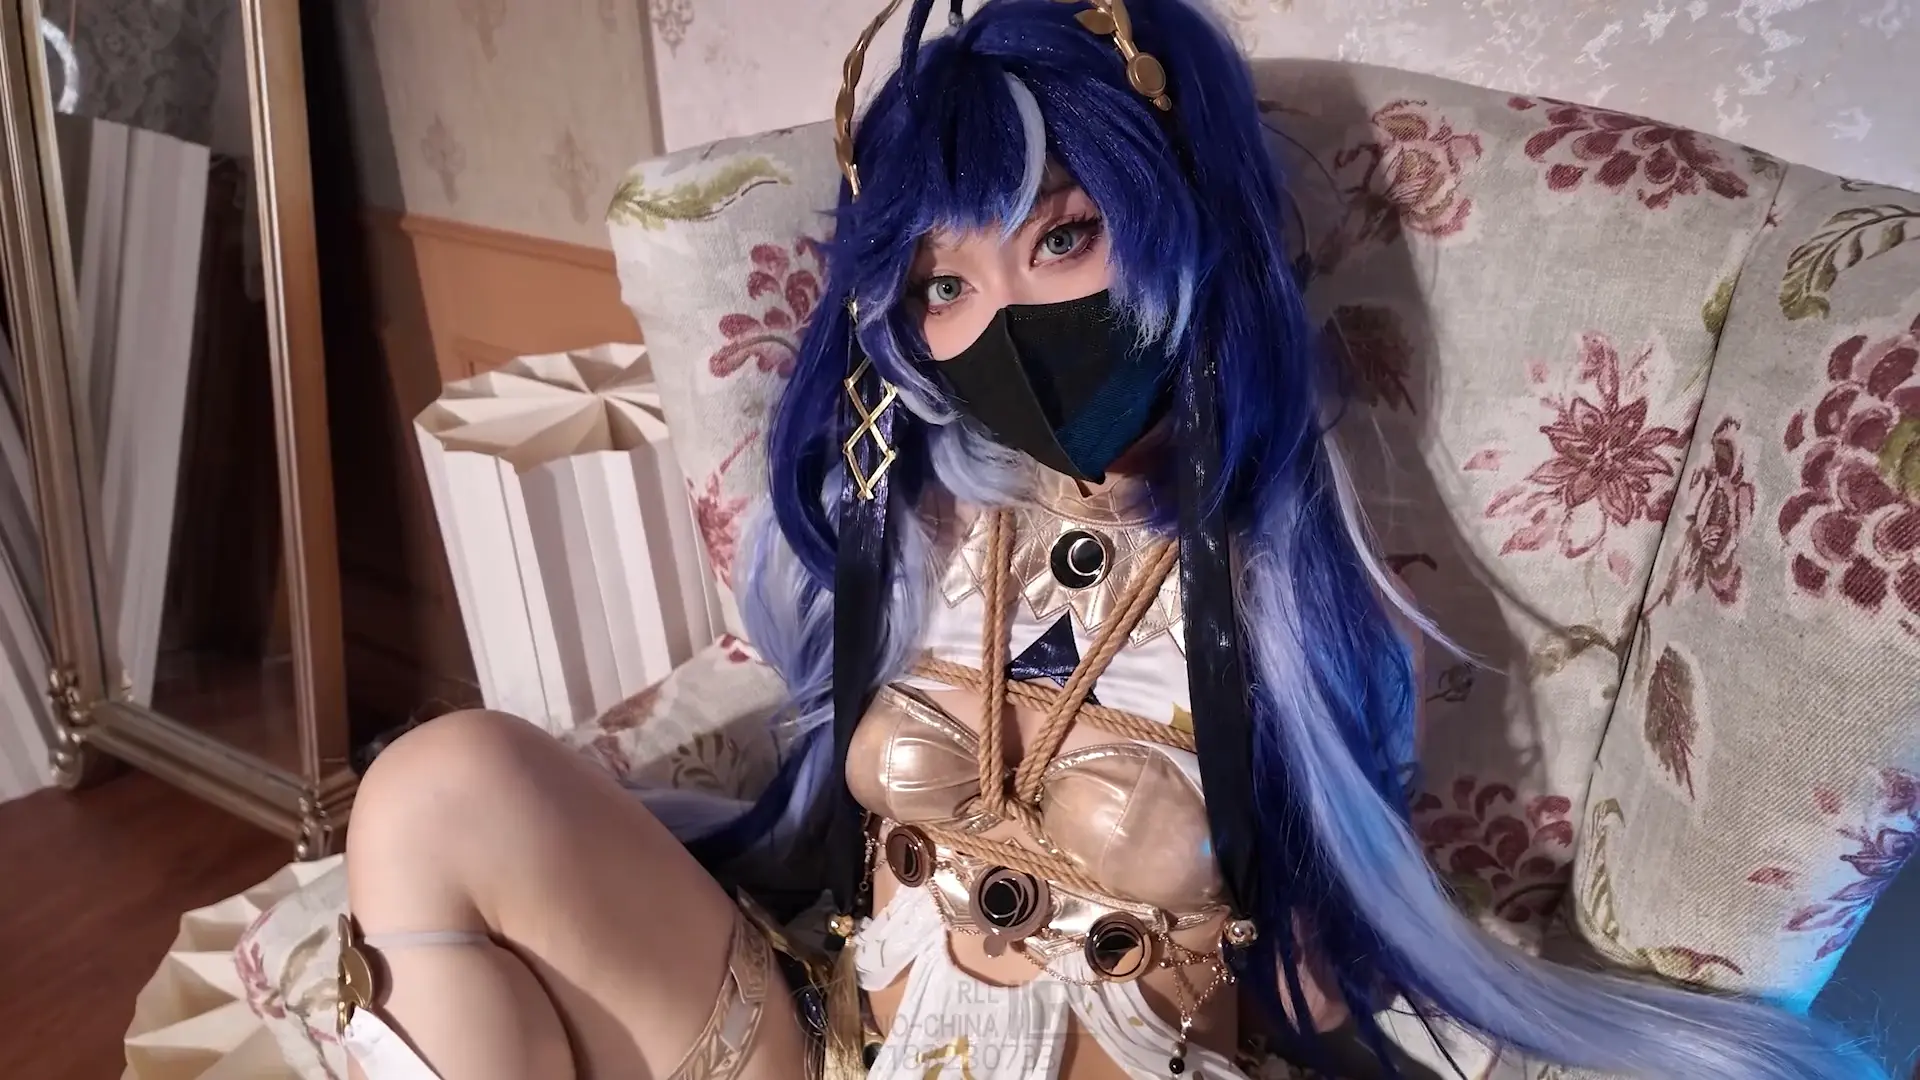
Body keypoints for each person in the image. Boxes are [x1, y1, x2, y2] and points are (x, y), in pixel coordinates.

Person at [335, 2, 1890, 1078]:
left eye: (1064, 237)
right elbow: (817, 816)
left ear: (1175, 230)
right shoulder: (923, 530)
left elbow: (1333, 950)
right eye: (945, 286)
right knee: (438, 783)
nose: (1004, 315)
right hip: (833, 1042)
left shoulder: (1286, 598)